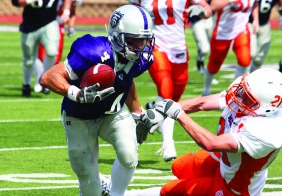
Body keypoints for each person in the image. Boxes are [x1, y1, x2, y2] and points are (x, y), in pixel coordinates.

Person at [40, 5, 164, 196]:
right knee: (88, 181)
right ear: (117, 35)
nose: (140, 47)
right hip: (79, 116)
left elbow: (127, 80)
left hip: (112, 112)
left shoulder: (143, 58)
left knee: (129, 155)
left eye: (143, 41)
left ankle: (116, 194)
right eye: (133, 41)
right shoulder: (93, 50)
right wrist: (78, 94)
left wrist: (137, 112)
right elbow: (48, 77)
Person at [154, 68, 282, 195]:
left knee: (169, 190)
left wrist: (178, 114)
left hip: (235, 186)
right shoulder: (249, 98)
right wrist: (161, 111)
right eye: (243, 90)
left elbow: (211, 143)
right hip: (223, 158)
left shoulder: (267, 131)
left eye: (247, 96)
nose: (240, 95)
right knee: (178, 166)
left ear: (265, 109)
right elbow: (202, 103)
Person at [129, 0, 212, 162]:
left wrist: (200, 11)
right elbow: (129, 14)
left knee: (176, 95)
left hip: (178, 46)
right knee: (165, 89)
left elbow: (207, 9)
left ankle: (152, 112)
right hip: (155, 45)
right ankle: (168, 143)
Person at [11, 0, 71, 97]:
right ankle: (26, 84)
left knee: (52, 52)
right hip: (29, 25)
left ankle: (44, 80)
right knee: (28, 59)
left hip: (50, 22)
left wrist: (66, 11)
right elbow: (16, 2)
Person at [202, 0, 259, 96]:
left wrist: (256, 19)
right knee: (214, 63)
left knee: (245, 60)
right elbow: (213, 6)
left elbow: (255, 3)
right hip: (223, 31)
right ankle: (206, 89)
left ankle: (236, 91)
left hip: (241, 30)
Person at [34, 0, 83, 94]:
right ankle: (39, 81)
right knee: (40, 55)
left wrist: (71, 26)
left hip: (58, 26)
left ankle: (47, 82)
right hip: (43, 24)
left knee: (55, 56)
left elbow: (72, 10)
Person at [249, 0, 282, 72]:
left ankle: (254, 76)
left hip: (264, 24)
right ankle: (243, 76)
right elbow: (254, 4)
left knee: (260, 57)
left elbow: (280, 6)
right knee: (251, 52)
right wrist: (255, 20)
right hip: (249, 23)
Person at [188, 0, 214, 74]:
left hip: (209, 19)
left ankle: (210, 73)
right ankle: (200, 60)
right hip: (196, 20)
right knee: (205, 49)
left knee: (211, 46)